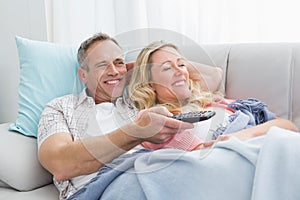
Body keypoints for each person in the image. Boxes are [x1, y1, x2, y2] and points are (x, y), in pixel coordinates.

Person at [37, 33, 197, 200]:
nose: (113, 71)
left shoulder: (138, 101)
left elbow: (215, 76)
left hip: (152, 171)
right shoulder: (61, 108)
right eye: (102, 65)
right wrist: (136, 131)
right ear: (83, 75)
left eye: (118, 62)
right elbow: (60, 164)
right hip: (102, 188)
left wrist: (146, 67)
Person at [126, 41, 298, 151]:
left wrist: (240, 136)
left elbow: (287, 125)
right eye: (167, 68)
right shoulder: (159, 122)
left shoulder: (219, 103)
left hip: (271, 145)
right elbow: (201, 153)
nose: (180, 71)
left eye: (182, 64)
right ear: (149, 84)